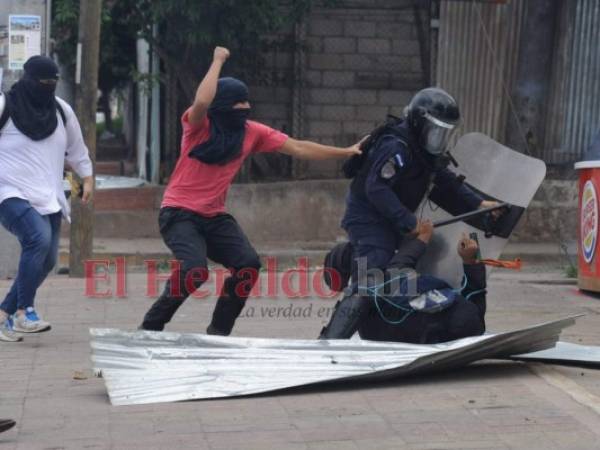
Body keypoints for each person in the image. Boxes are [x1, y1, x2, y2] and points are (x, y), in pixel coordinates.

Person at [139, 46, 361, 335]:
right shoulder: (198, 126)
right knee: (195, 269)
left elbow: (298, 147)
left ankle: (219, 333)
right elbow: (203, 100)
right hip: (178, 213)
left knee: (247, 265)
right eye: (236, 105)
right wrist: (218, 60)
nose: (243, 111)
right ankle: (151, 326)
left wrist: (344, 152)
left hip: (214, 217)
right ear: (221, 108)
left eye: (247, 105)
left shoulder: (252, 132)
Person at [320, 87, 497, 339]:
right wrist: (409, 222)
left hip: (390, 219)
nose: (439, 137)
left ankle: (352, 257)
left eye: (445, 132)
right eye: (436, 130)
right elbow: (376, 188)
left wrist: (477, 204)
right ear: (419, 122)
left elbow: (444, 180)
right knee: (371, 280)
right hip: (368, 218)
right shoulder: (396, 146)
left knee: (391, 274)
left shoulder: (423, 150)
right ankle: (330, 344)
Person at [0, 56, 93, 343]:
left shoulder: (61, 112)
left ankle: (3, 314)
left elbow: (77, 150)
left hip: (49, 195)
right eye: (42, 83)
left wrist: (87, 178)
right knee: (37, 239)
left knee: (47, 260)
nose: (47, 88)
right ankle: (25, 311)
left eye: (52, 84)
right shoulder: (5, 106)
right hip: (8, 191)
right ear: (28, 80)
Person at [356, 223, 487, 344]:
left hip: (380, 325)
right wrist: (470, 261)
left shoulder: (387, 311)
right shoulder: (472, 323)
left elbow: (398, 268)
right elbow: (476, 292)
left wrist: (423, 238)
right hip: (392, 328)